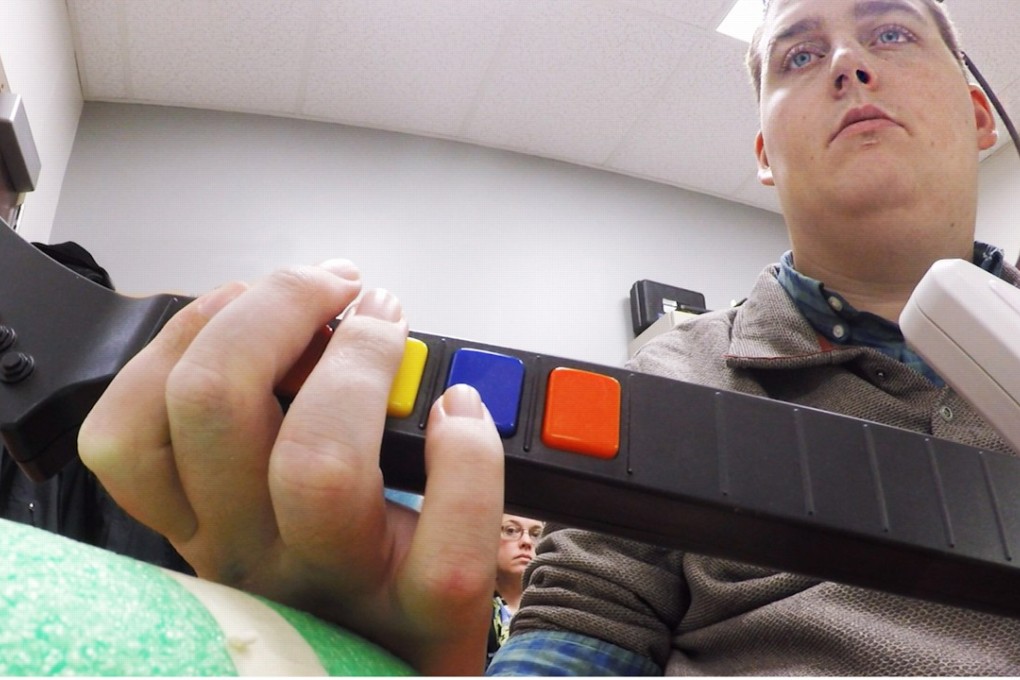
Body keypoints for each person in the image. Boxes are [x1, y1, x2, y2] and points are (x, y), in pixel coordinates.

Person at [77, 0, 1020, 674]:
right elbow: (582, 631)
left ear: (980, 112)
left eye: (892, 32)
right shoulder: (675, 366)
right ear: (764, 154)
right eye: (799, 56)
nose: (851, 64)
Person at [487, 515, 544, 668]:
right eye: (511, 530)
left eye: (536, 534)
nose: (526, 542)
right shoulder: (469, 605)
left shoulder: (553, 607)